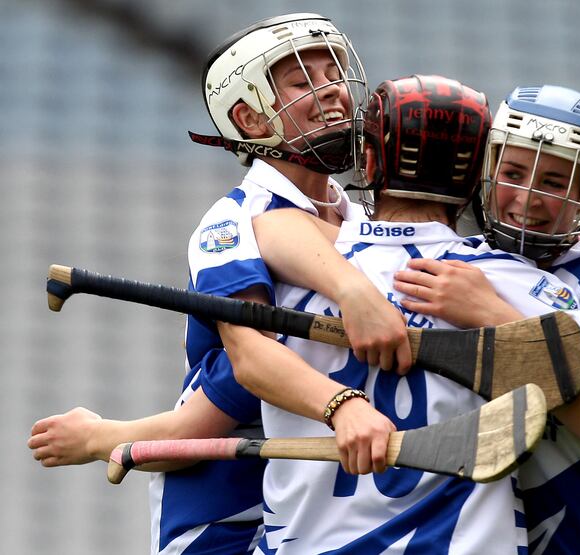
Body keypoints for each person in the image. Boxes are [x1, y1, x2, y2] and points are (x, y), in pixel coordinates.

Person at [28, 13, 411, 555]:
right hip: (225, 517)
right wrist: (97, 437)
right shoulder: (233, 223)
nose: (335, 93)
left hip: (321, 509)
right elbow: (229, 396)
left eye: (335, 74)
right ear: (251, 120)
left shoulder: (362, 222)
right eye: (305, 82)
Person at [225, 74, 580, 554]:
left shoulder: (290, 271)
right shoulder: (529, 288)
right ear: (480, 170)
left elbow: (266, 231)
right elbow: (578, 380)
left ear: (370, 160)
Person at [391, 84, 580, 553]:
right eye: (514, 172)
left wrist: (493, 315)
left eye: (553, 181)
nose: (527, 197)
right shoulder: (451, 258)